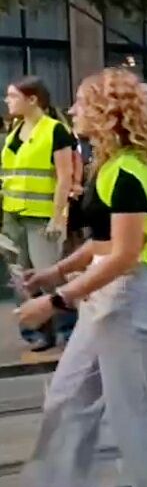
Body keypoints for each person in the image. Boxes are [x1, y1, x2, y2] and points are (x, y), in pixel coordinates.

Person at [2, 68, 147, 487]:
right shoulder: (111, 166)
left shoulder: (129, 171)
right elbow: (102, 242)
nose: (72, 110)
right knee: (66, 398)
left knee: (141, 407)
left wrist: (57, 298)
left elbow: (126, 253)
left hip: (133, 297)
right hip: (112, 296)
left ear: (107, 114)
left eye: (80, 102)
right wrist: (56, 271)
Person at [2, 76, 76, 351]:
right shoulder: (15, 130)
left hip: (41, 215)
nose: (7, 101)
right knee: (20, 277)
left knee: (47, 275)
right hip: (13, 215)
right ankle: (37, 331)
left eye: (12, 96)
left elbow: (65, 176)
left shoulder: (54, 130)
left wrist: (58, 216)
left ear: (32, 99)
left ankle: (68, 327)